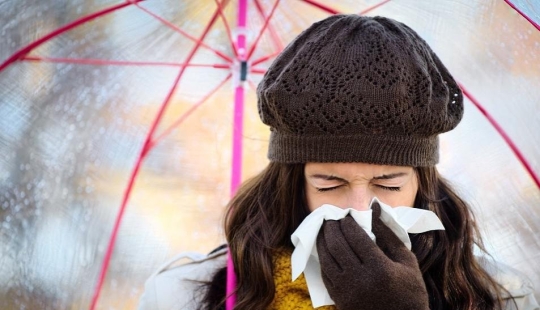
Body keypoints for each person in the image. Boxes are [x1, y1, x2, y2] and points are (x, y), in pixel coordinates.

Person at [138, 14, 539, 310]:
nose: (359, 209)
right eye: (329, 184)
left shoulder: (505, 297)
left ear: (422, 183)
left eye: (389, 185)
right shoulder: (182, 295)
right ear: (292, 184)